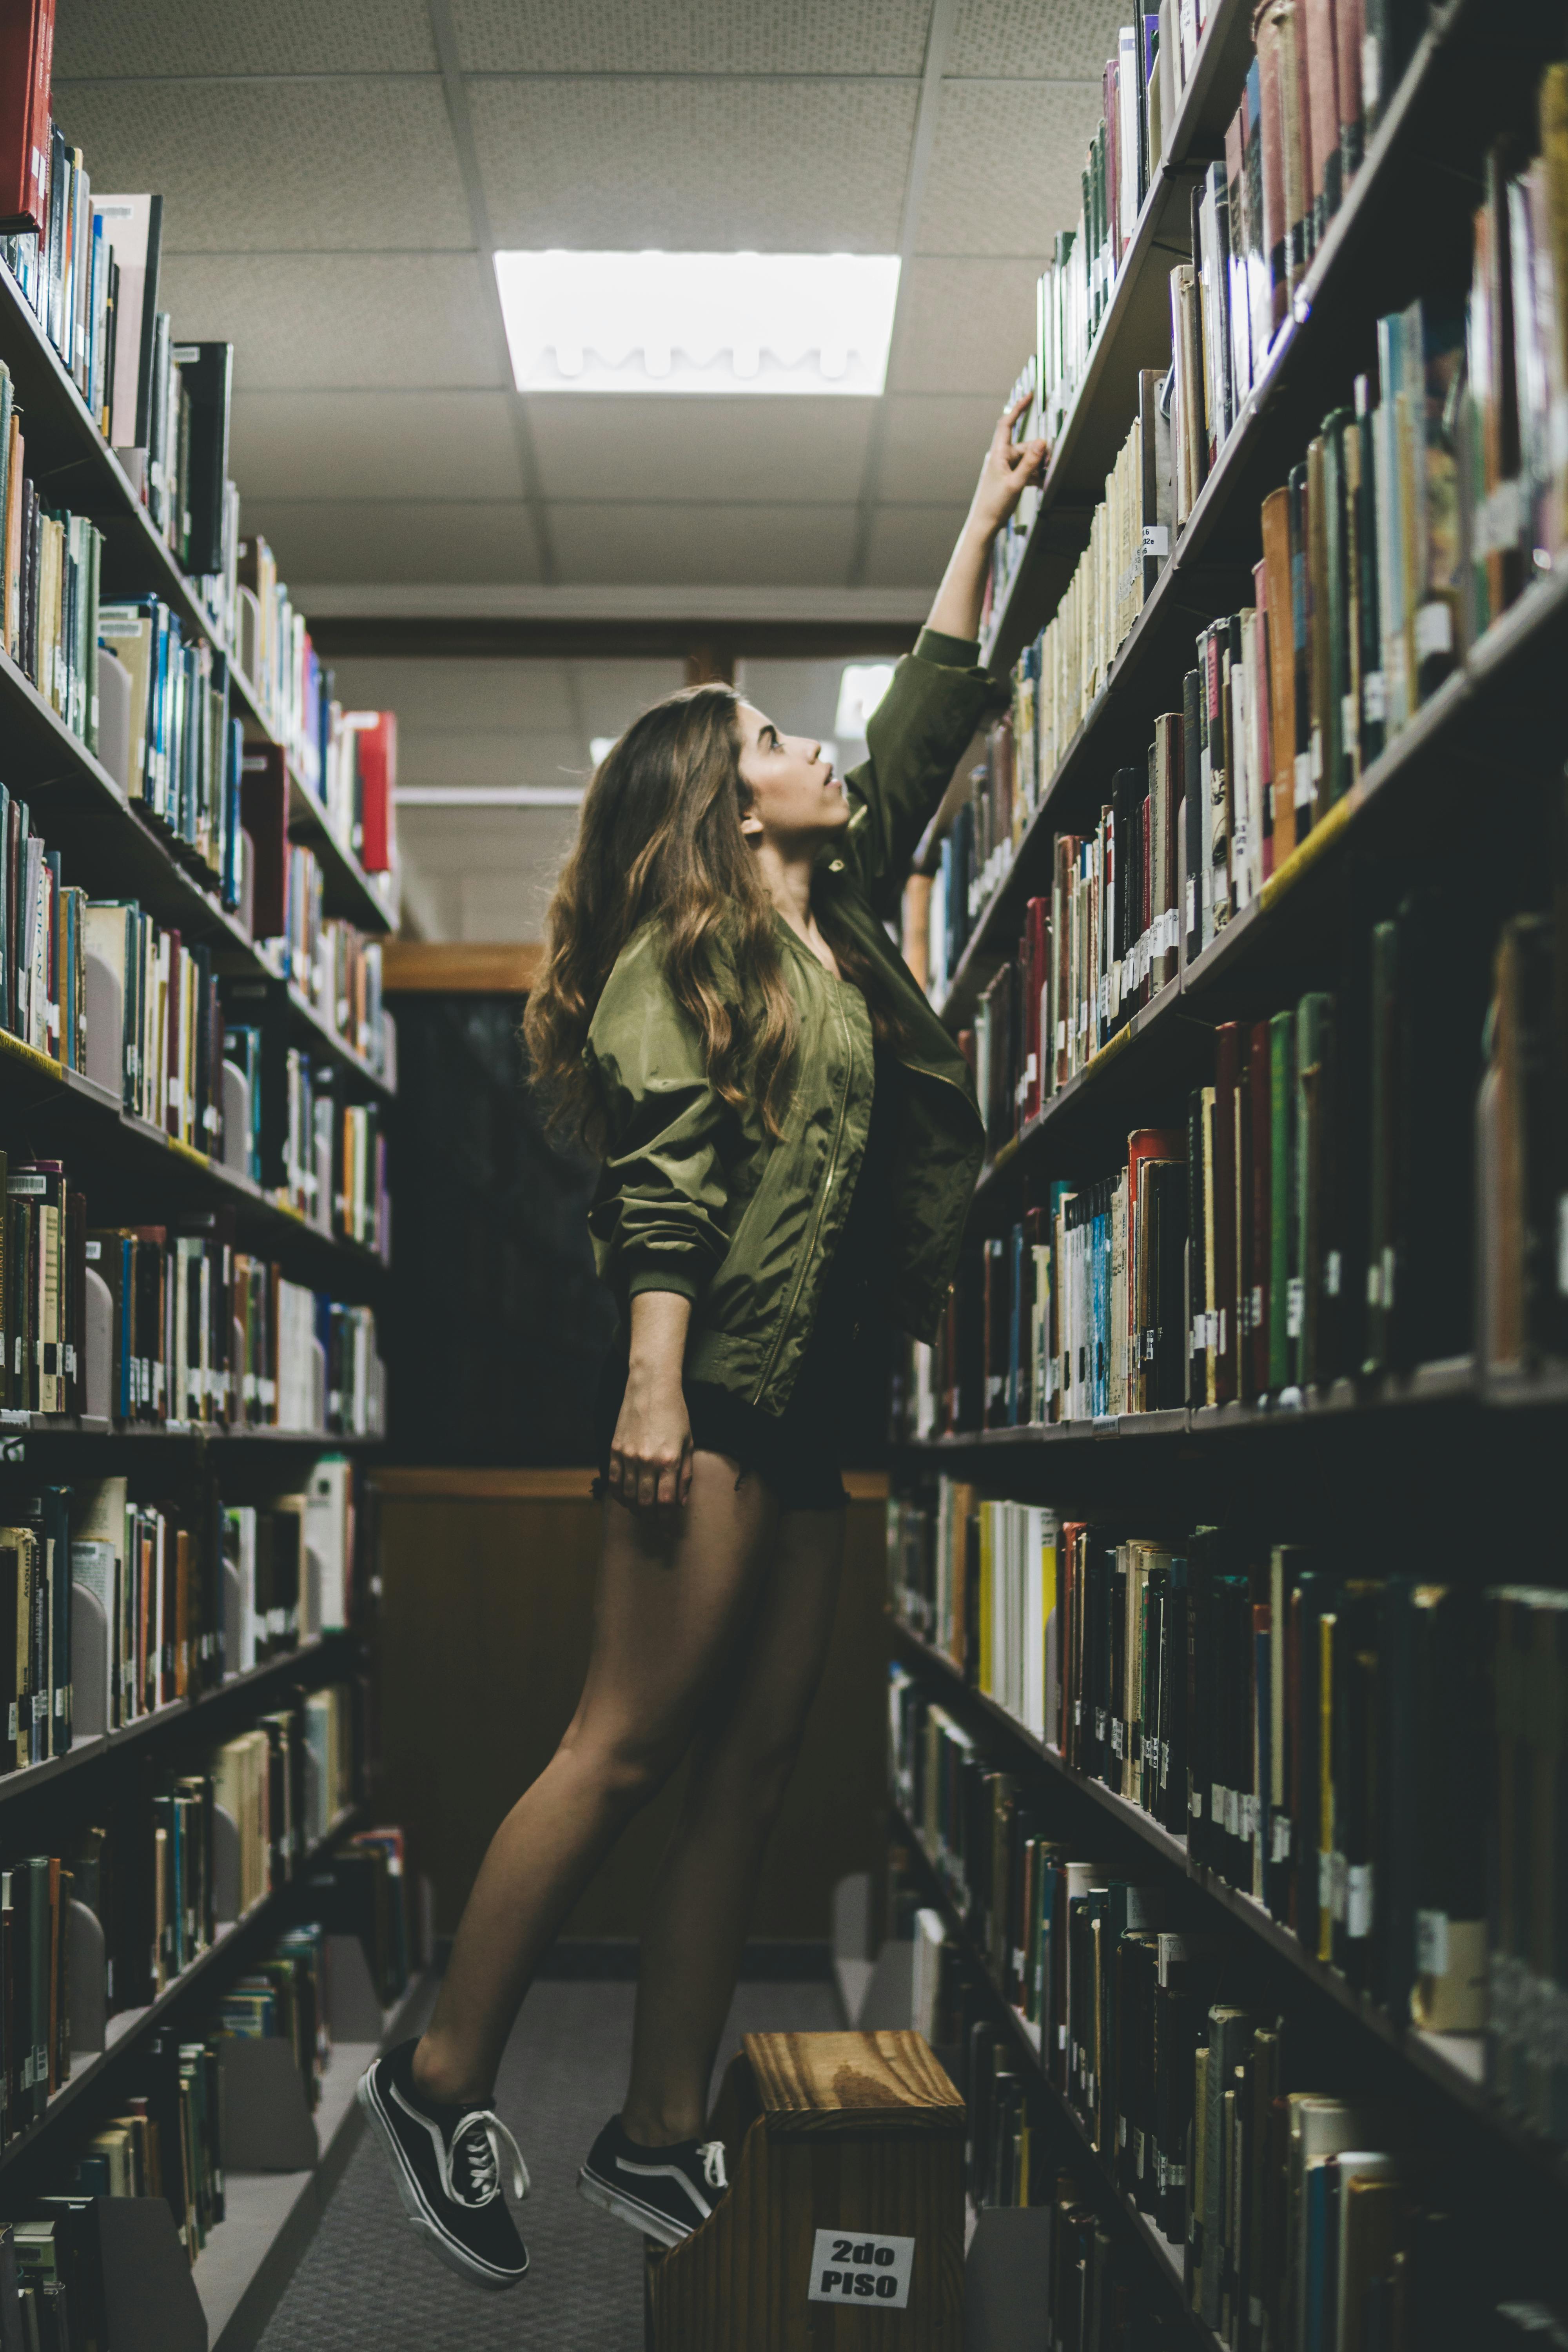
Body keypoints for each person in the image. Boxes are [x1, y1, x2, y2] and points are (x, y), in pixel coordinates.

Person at [358, 396, 1048, 2288]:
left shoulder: (842, 927)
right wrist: (654, 1392)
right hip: (718, 1394)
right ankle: (436, 2076)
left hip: (820, 1403)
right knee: (627, 1745)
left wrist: (980, 517)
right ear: (722, 801)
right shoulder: (696, 959)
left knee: (754, 1765)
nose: (807, 745)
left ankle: (660, 2130)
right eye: (766, 736)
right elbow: (662, 1190)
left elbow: (920, 724)